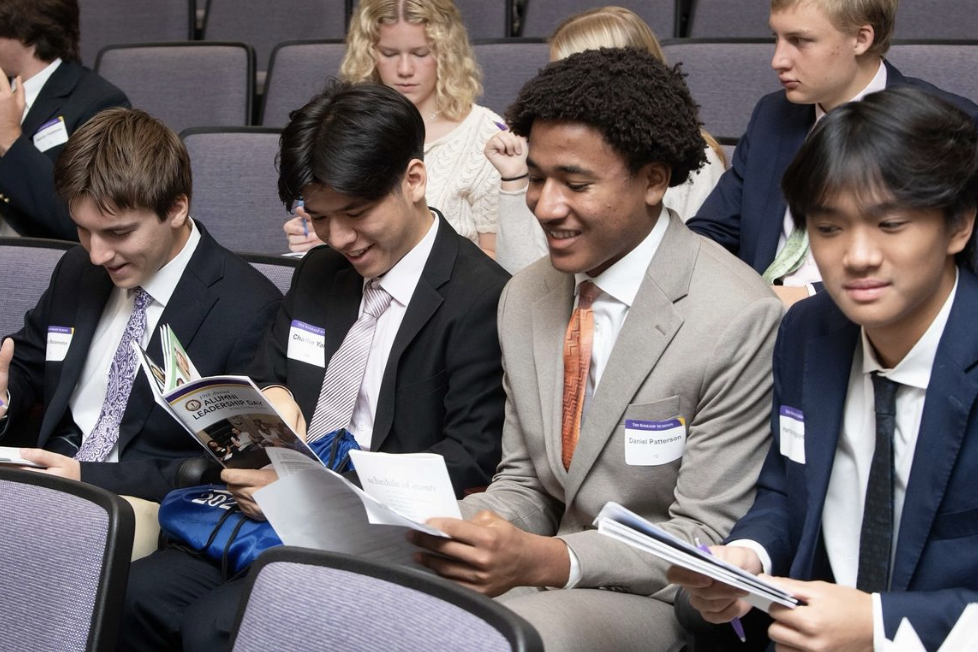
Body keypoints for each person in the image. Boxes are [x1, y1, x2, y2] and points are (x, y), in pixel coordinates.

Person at [408, 48, 782, 652]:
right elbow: (527, 480)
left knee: (507, 638)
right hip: (548, 570)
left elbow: (702, 534)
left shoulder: (736, 316)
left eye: (576, 184)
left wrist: (548, 560)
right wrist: (460, 531)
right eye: (535, 178)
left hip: (660, 597)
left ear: (654, 181)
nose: (546, 206)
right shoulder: (526, 295)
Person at [120, 80, 510, 652]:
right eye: (320, 217)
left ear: (414, 180)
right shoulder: (320, 273)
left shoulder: (481, 296)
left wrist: (319, 493)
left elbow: (469, 457)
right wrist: (272, 395)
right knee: (129, 596)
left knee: (216, 628)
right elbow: (268, 371)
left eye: (355, 213)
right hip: (265, 522)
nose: (339, 237)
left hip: (376, 537)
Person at [669, 87, 978, 652]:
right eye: (830, 229)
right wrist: (747, 558)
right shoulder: (807, 331)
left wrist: (880, 627)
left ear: (958, 226)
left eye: (890, 225)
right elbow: (786, 492)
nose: (857, 256)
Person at [0, 107, 282, 500]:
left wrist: (89, 477)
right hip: (45, 472)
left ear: (176, 208)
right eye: (83, 230)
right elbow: (25, 362)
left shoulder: (247, 308)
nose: (97, 254)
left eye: (118, 233)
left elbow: (228, 466)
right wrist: (1, 399)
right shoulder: (78, 269)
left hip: (138, 501)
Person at [687, 0, 978, 309]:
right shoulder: (772, 115)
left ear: (861, 39)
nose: (777, 60)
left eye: (800, 41)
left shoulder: (946, 126)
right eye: (777, 37)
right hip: (753, 319)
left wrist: (806, 298)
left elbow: (950, 271)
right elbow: (710, 234)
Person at [490, 5, 728, 274]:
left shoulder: (695, 163)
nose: (554, 90)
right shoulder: (548, 159)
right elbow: (524, 276)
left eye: (571, 77)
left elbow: (688, 272)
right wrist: (515, 180)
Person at [282, 0, 502, 257]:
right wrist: (321, 236)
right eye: (389, 53)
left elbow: (497, 260)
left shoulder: (488, 136)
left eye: (420, 54)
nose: (405, 70)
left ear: (447, 53)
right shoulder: (344, 125)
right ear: (368, 53)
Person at [0, 0, 129, 240]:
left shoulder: (100, 103)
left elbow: (88, 217)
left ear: (28, 36)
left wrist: (8, 139)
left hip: (31, 260)